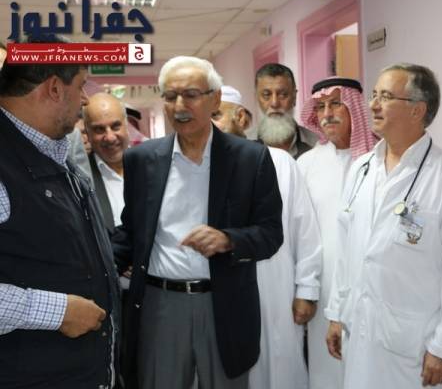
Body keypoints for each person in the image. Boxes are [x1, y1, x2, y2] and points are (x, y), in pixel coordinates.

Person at [111, 57, 283, 389]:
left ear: (215, 99)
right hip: (160, 305)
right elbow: (131, 232)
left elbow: (271, 234)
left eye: (190, 94)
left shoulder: (250, 158)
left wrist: (228, 240)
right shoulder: (141, 160)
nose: (179, 106)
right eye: (170, 96)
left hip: (224, 305)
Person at [325, 63, 442, 389]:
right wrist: (337, 312)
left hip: (414, 346)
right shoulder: (362, 168)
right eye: (374, 95)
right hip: (358, 327)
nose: (373, 104)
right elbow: (346, 247)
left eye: (385, 96)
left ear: (417, 110)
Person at [0, 40, 120, 389]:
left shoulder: (52, 151)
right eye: (81, 86)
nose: (85, 100)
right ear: (54, 88)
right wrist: (57, 311)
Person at [214, 85, 323, 389]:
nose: (210, 123)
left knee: (280, 368)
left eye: (217, 114)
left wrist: (306, 290)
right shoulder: (200, 168)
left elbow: (305, 230)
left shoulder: (279, 161)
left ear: (240, 117)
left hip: (277, 290)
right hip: (225, 294)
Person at [297, 76, 377, 389]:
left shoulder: (380, 160)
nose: (327, 114)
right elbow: (301, 233)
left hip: (370, 286)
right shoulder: (306, 164)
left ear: (355, 108)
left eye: (336, 104)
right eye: (320, 107)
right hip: (325, 284)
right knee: (327, 370)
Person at [84, 92, 130, 232]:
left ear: (126, 125)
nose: (110, 137)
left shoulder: (150, 166)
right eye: (99, 129)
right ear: (88, 133)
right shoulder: (80, 178)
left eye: (115, 126)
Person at [255, 63, 318, 158]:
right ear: (257, 98)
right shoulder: (242, 145)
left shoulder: (315, 144)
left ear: (294, 97)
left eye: (283, 95)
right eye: (266, 95)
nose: (274, 103)